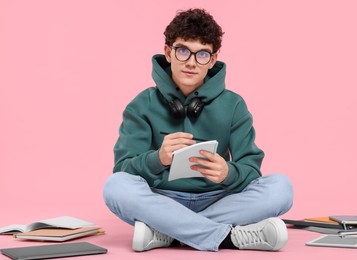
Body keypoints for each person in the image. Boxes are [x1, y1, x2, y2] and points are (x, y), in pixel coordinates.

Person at [103, 8, 293, 252]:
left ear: (212, 60)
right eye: (183, 51)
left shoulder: (234, 105)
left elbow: (251, 171)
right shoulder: (141, 104)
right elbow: (123, 170)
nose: (191, 62)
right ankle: (227, 238)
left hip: (218, 199)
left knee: (281, 187)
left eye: (202, 54)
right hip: (161, 199)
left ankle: (168, 231)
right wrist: (157, 159)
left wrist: (228, 173)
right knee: (115, 187)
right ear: (168, 52)